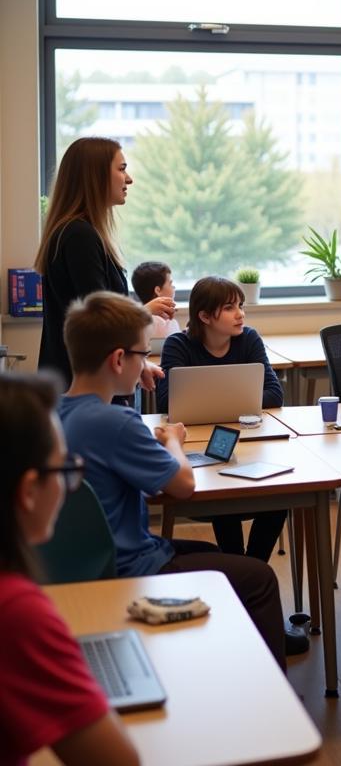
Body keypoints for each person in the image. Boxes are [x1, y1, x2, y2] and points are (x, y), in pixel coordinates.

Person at [58, 291, 287, 669]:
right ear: (118, 359)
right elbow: (183, 485)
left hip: (89, 562)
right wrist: (174, 443)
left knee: (222, 558)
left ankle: (230, 649)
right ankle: (266, 683)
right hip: (132, 567)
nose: (146, 364)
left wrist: (129, 377)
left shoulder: (56, 413)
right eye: (142, 355)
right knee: (259, 578)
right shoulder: (116, 423)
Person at [0, 372, 139, 766]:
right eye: (64, 470)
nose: (69, 485)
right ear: (28, 491)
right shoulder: (16, 611)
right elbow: (119, 761)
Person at [156, 277, 285, 562]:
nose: (240, 313)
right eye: (229, 308)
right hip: (200, 447)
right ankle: (241, 565)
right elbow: (168, 404)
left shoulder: (248, 338)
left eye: (240, 305)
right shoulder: (178, 344)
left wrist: (214, 404)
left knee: (281, 496)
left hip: (249, 442)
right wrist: (242, 402)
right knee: (221, 490)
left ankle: (252, 566)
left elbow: (275, 394)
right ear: (204, 316)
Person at [35, 136, 175, 389]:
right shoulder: (79, 236)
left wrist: (139, 364)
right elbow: (99, 318)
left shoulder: (79, 232)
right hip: (84, 386)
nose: (129, 179)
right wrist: (145, 311)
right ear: (95, 176)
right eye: (121, 169)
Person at [130, 261, 181, 339]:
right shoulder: (163, 324)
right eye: (170, 284)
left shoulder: (139, 322)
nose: (174, 287)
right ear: (158, 291)